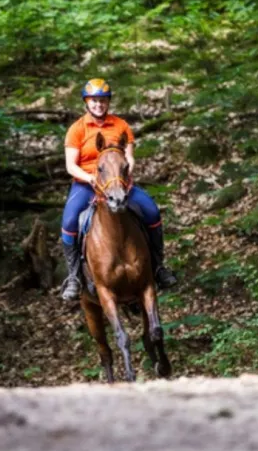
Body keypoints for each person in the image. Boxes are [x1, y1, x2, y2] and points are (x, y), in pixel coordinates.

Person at [60, 78, 177, 301]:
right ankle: (74, 276)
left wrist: (123, 176)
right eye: (94, 101)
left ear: (108, 103)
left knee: (151, 212)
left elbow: (130, 158)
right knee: (69, 222)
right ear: (86, 102)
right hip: (87, 186)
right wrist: (90, 178)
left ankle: (159, 267)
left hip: (119, 185)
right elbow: (70, 165)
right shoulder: (77, 129)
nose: (98, 105)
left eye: (103, 101)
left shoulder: (121, 126)